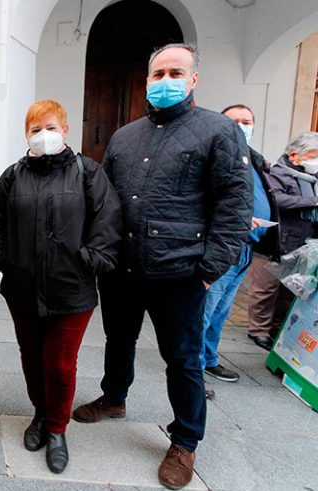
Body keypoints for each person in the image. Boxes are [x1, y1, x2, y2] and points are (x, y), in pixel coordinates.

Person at [72, 43, 253, 490]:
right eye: (157, 74)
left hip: (181, 272)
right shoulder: (124, 136)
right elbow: (105, 201)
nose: (165, 80)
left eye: (176, 72)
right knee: (119, 339)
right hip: (123, 268)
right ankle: (114, 398)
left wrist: (210, 268)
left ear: (193, 80)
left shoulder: (219, 132)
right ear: (147, 81)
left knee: (182, 359)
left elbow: (234, 206)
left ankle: (185, 439)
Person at [0, 100, 121, 473]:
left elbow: (108, 221)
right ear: (26, 134)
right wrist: (2, 257)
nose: (43, 135)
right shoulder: (13, 176)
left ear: (64, 129)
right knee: (31, 358)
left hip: (71, 290)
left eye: (50, 127)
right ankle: (40, 415)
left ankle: (58, 429)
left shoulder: (87, 172)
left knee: (60, 365)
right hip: (23, 287)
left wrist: (89, 260)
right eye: (34, 129)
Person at [200, 104, 280, 398]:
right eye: (235, 121)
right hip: (223, 247)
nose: (242, 125)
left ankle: (209, 360)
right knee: (204, 313)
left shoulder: (253, 159)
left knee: (220, 312)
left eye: (247, 121)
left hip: (247, 249)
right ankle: (192, 372)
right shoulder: (213, 156)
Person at [248, 132, 318, 350]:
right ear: (296, 155)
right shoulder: (276, 173)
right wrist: (313, 201)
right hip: (276, 241)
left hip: (302, 244)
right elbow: (277, 199)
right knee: (265, 289)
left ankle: (277, 327)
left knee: (291, 289)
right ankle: (258, 330)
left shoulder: (313, 178)